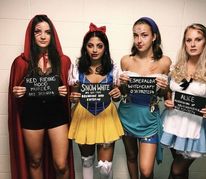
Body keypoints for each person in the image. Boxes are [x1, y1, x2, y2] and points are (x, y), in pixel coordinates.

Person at [8, 15, 74, 179]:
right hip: (32, 115)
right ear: (31, 35)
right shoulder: (21, 62)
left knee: (61, 164)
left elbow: (73, 92)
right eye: (38, 32)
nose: (43, 36)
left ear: (53, 35)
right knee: (35, 161)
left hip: (57, 114)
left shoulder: (64, 61)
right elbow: (15, 94)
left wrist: (68, 93)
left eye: (48, 32)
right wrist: (17, 93)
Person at [160, 23, 206, 179]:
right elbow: (169, 92)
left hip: (195, 126)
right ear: (184, 43)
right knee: (180, 170)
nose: (192, 44)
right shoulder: (176, 67)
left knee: (177, 170)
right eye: (188, 40)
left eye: (198, 39)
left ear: (205, 42)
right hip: (172, 122)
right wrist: (167, 100)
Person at [68, 23, 124, 179]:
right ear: (85, 47)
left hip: (106, 115)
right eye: (90, 46)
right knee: (86, 162)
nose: (94, 50)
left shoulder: (113, 69)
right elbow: (74, 96)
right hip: (83, 115)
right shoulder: (76, 68)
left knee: (105, 168)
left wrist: (117, 94)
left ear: (104, 48)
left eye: (99, 46)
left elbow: (117, 97)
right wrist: (73, 98)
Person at [118, 17, 171, 179]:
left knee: (146, 170)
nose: (139, 40)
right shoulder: (126, 60)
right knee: (131, 157)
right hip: (127, 114)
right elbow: (123, 91)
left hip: (149, 117)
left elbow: (163, 95)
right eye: (135, 35)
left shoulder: (164, 62)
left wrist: (163, 88)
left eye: (144, 35)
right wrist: (122, 84)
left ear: (154, 36)